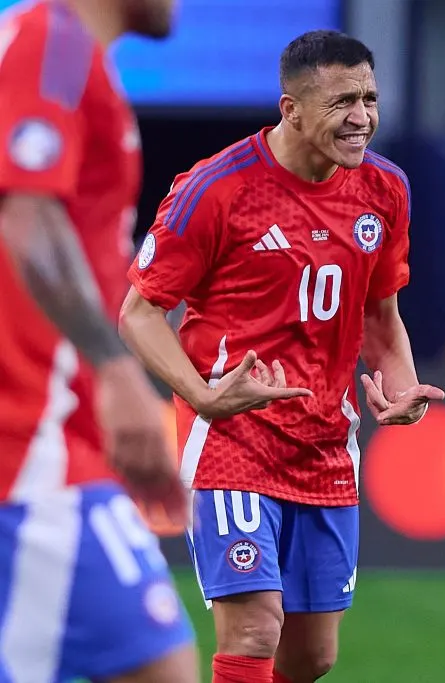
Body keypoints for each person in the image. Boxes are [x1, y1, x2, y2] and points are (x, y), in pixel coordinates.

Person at [119, 30, 444, 683]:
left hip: (326, 439)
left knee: (312, 656)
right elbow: (138, 311)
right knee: (255, 627)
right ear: (290, 110)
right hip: (231, 435)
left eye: (370, 98)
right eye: (342, 101)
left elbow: (381, 314)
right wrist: (202, 392)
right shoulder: (216, 189)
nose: (362, 118)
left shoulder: (385, 190)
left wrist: (399, 384)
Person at [0, 0, 198, 681]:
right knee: (161, 666)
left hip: (59, 441)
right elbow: (26, 213)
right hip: (30, 451)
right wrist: (118, 374)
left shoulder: (68, 57)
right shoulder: (54, 42)